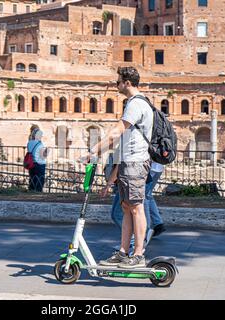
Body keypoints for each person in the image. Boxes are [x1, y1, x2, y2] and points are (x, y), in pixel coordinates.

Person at [85, 66, 153, 269]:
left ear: (127, 83)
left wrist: (95, 150)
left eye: (118, 82)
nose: (117, 85)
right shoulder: (134, 103)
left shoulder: (135, 104)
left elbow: (117, 132)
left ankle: (138, 253)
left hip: (135, 162)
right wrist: (111, 177)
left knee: (136, 207)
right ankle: (124, 252)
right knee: (126, 208)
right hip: (127, 161)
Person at [144, 161, 166, 237]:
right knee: (148, 194)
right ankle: (158, 223)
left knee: (144, 197)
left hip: (150, 168)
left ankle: (146, 229)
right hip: (158, 168)